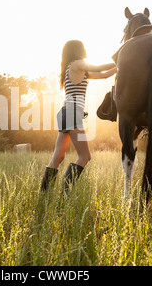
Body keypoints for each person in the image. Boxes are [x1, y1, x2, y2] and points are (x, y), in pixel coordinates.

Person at [40, 40, 117, 193]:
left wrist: (120, 67)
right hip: (72, 113)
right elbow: (99, 67)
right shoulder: (76, 64)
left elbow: (103, 75)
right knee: (85, 156)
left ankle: (44, 195)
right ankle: (64, 194)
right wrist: (118, 60)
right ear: (78, 50)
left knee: (58, 157)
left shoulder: (74, 68)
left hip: (66, 112)